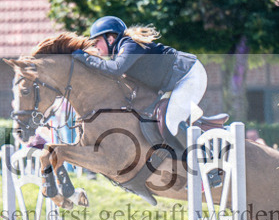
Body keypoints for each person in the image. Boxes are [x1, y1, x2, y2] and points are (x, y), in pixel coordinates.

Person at [70, 16, 207, 137]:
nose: (95, 47)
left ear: (110, 39)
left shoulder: (130, 45)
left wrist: (86, 58)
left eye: (97, 42)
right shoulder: (120, 51)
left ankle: (197, 159)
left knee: (171, 123)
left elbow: (116, 69)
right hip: (175, 82)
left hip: (189, 75)